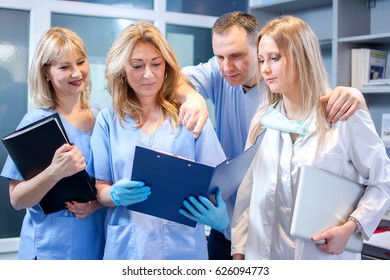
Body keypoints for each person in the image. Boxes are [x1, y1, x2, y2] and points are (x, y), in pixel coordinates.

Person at [178, 11, 367, 260]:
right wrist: (192, 97)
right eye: (220, 57)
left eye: (237, 56)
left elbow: (379, 181)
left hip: (296, 237)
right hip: (229, 226)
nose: (226, 66)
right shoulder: (236, 88)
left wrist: (355, 95)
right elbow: (170, 79)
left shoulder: (318, 110)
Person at [231, 15, 390, 260]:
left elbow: (383, 181)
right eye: (262, 60)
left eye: (275, 58)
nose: (265, 69)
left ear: (301, 56)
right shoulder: (263, 121)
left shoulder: (344, 115)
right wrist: (239, 253)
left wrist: (350, 228)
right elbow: (247, 195)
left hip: (323, 257)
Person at [87, 21, 227, 260]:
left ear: (166, 67)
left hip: (182, 247)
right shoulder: (107, 121)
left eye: (156, 64)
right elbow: (100, 191)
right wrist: (114, 195)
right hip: (127, 248)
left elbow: (218, 183)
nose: (148, 75)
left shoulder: (189, 115)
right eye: (137, 66)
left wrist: (220, 217)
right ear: (122, 70)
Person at [0, 27, 106, 259]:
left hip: (96, 244)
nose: (76, 73)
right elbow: (17, 199)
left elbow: (109, 184)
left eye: (80, 62)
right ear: (46, 72)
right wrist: (55, 172)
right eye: (64, 66)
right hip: (51, 249)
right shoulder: (37, 122)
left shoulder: (102, 116)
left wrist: (97, 203)